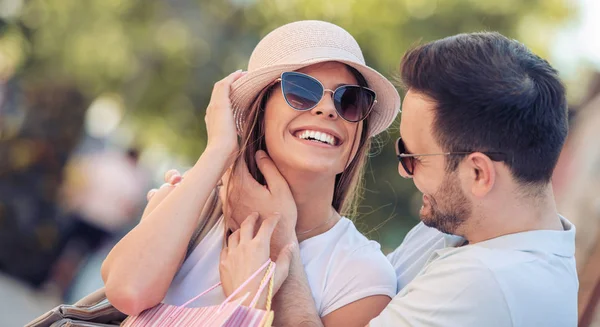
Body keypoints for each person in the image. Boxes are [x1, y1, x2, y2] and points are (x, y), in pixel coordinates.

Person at [220, 32, 578, 326]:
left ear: (478, 174)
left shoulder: (486, 284)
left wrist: (277, 248)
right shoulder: (470, 226)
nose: (402, 169)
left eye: (411, 157)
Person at [101, 20, 402, 326]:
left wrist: (257, 287)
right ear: (259, 112)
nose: (327, 109)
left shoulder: (362, 276)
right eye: (300, 90)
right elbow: (128, 292)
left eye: (350, 100)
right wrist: (218, 151)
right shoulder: (194, 206)